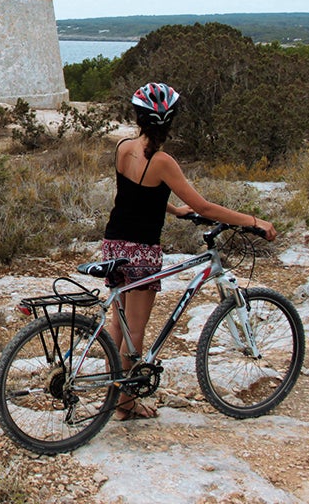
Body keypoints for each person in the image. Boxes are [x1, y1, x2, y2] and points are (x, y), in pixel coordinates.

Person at [103, 82, 277, 420]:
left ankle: (113, 396)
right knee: (135, 331)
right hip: (141, 250)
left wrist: (172, 210)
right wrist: (254, 220)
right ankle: (123, 405)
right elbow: (204, 206)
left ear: (138, 117)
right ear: (170, 121)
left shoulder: (123, 148)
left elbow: (130, 195)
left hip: (114, 242)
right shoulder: (163, 160)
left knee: (118, 324)